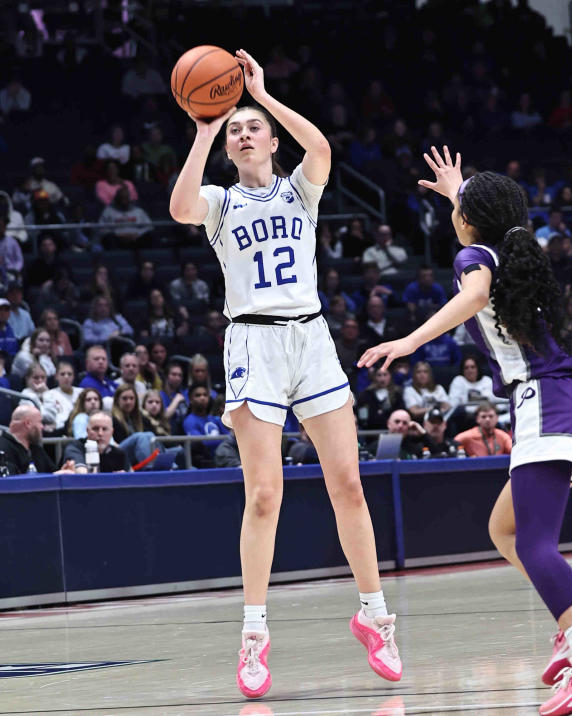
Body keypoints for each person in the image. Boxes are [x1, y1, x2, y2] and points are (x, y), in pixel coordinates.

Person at [168, 49, 401, 697]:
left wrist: (263, 96)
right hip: (253, 345)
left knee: (348, 485)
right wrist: (205, 126)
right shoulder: (218, 202)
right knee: (264, 495)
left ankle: (376, 616)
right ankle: (253, 636)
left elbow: (322, 146)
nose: (244, 133)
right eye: (236, 129)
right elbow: (179, 207)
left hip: (311, 337)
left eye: (252, 127)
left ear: (271, 139)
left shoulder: (301, 188)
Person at [359, 153, 572, 714]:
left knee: (533, 543)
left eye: (461, 208)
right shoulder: (515, 250)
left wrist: (408, 342)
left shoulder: (473, 255)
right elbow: (483, 235)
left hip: (544, 403)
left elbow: (475, 294)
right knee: (503, 528)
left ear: (468, 221)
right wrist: (458, 191)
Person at [0, 405, 75, 475]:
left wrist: (63, 472)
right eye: (40, 422)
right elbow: (11, 484)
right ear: (27, 423)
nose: (42, 427)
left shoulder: (36, 449)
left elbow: (52, 473)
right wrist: (54, 476)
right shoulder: (0, 449)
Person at [183, 383, 230, 468]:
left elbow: (229, 437)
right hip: (206, 461)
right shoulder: (189, 421)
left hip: (224, 455)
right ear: (190, 399)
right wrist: (221, 442)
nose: (202, 398)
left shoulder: (215, 419)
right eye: (198, 395)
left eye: (205, 395)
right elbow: (200, 443)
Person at [355, 365, 403, 430]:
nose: (382, 378)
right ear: (374, 377)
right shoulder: (366, 394)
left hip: (393, 431)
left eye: (385, 375)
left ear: (390, 376)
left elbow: (401, 412)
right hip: (371, 433)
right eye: (379, 375)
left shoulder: (397, 393)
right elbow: (362, 417)